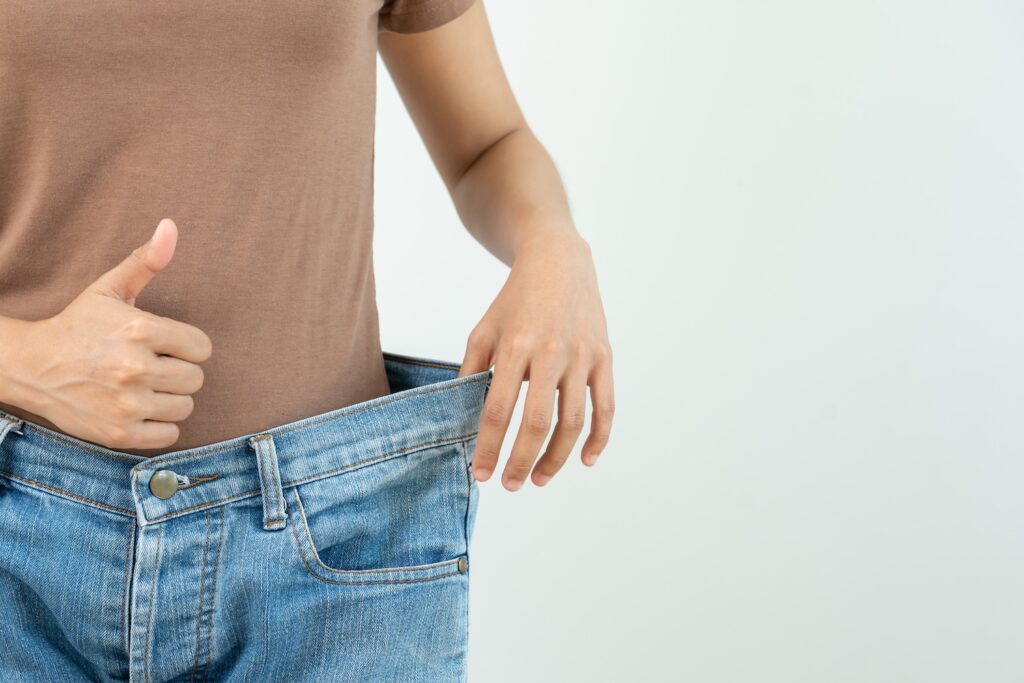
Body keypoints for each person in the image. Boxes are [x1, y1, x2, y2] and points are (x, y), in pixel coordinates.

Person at [0, 0, 614, 680]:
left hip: (339, 546)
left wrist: (554, 244)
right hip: (18, 547)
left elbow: (487, 143)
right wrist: (24, 361)